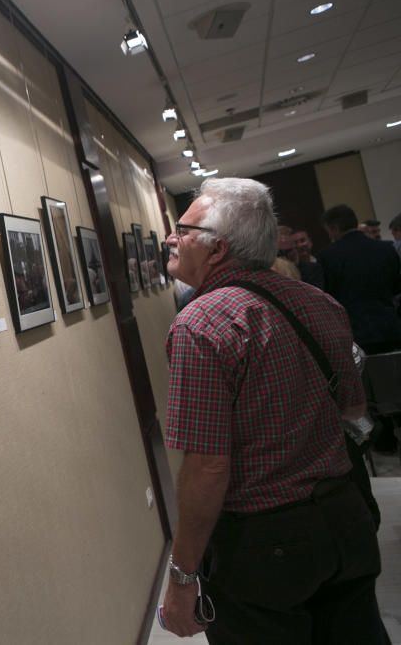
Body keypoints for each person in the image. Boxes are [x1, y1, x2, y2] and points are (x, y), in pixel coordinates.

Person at [159, 178, 385, 642]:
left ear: (217, 249)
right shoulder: (320, 303)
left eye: (181, 229)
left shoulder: (199, 324)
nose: (170, 238)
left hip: (265, 545)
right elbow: (353, 408)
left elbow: (207, 467)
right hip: (344, 513)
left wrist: (182, 578)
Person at [319, 204, 401, 355]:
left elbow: (329, 295)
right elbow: (396, 286)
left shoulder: (328, 256)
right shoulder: (386, 248)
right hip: (390, 326)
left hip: (356, 331)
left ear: (335, 228)